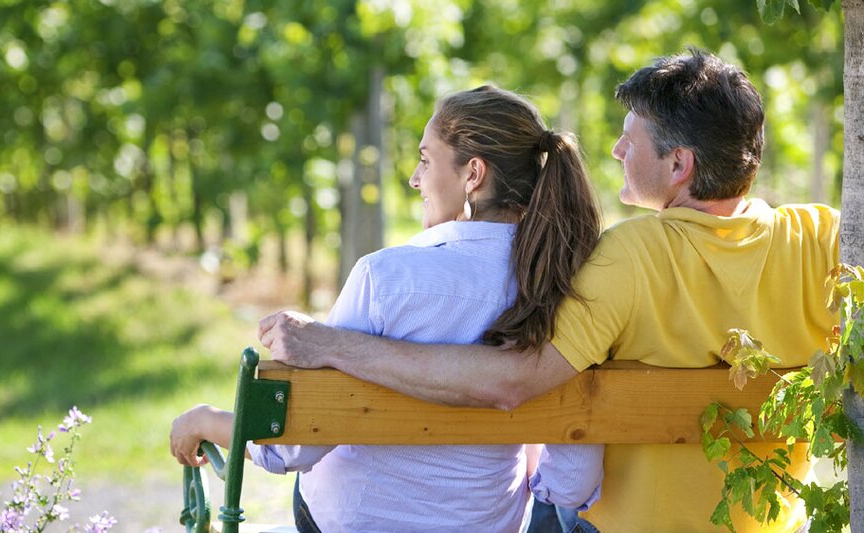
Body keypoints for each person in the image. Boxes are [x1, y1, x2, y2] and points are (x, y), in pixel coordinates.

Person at [257, 49, 841, 532]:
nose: (616, 151)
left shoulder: (629, 256)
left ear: (679, 164)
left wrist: (334, 345)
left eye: (630, 139)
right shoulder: (824, 237)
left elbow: (515, 380)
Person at [171, 86, 605, 532]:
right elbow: (570, 484)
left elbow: (294, 449)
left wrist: (204, 420)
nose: (415, 179)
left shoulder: (385, 278)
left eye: (425, 160)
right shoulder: (567, 286)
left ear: (473, 174)